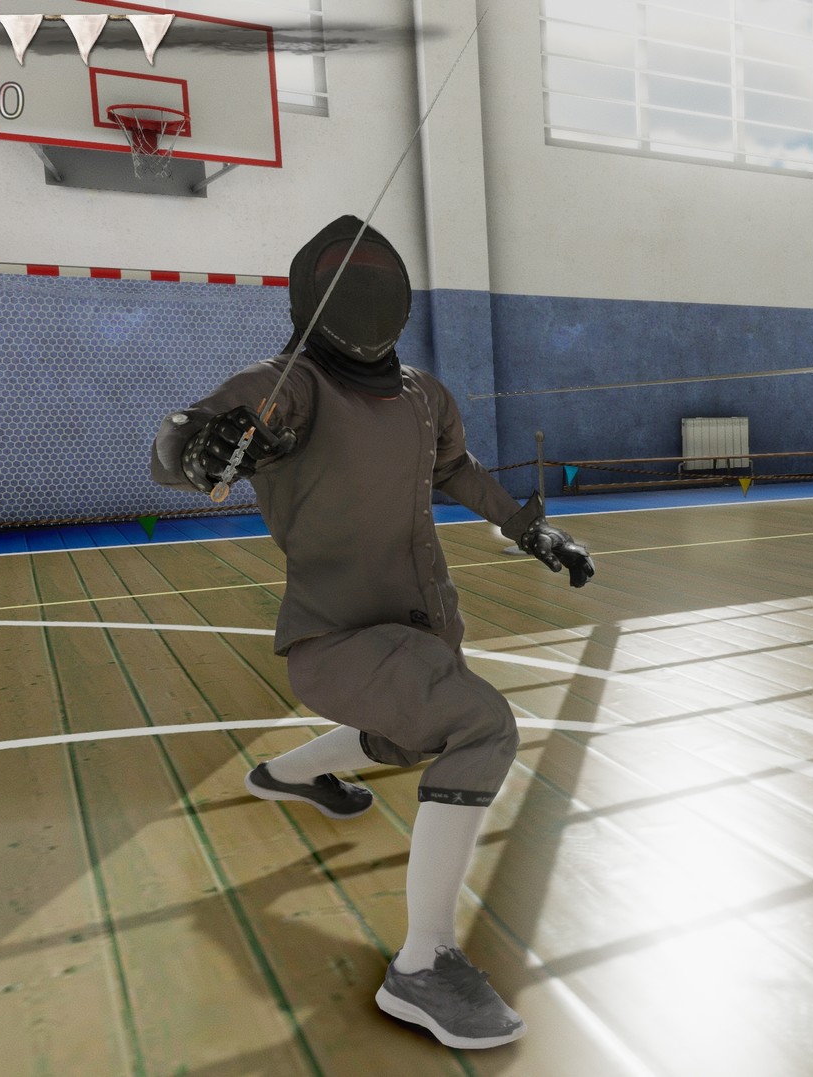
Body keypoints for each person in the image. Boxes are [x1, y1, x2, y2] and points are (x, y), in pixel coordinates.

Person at [151, 215, 594, 1051]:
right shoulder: (285, 386)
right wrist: (202, 450)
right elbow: (177, 443)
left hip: (420, 618)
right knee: (481, 726)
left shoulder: (424, 394)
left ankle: (285, 773)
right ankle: (423, 965)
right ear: (313, 296)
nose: (367, 298)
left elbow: (456, 468)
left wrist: (530, 529)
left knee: (408, 738)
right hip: (336, 638)